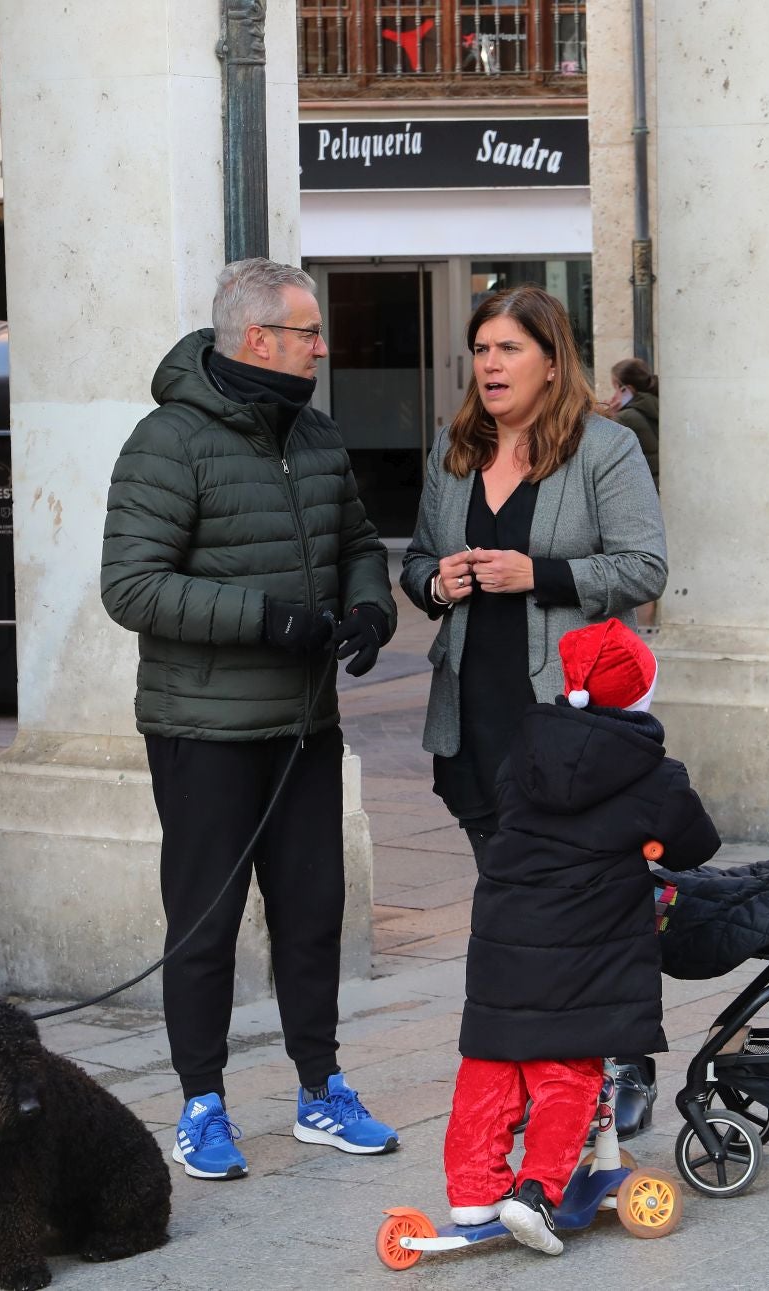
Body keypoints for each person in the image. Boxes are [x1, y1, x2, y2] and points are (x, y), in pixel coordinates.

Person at [101, 257, 401, 1182]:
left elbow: (357, 542)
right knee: (206, 921)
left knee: (314, 913)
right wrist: (267, 619)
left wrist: (370, 610)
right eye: (310, 331)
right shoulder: (168, 441)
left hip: (306, 726)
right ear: (260, 338)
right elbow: (132, 585)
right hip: (204, 732)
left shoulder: (313, 435)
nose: (323, 345)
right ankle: (202, 1104)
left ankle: (320, 1090)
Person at [442, 620, 718, 1255]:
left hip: (503, 935)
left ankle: (473, 1190)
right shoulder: (654, 773)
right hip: (586, 948)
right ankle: (537, 1193)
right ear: (642, 696)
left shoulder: (524, 749)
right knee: (570, 1068)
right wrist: (647, 841)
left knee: (493, 1059)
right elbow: (698, 844)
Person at [400, 286, 666, 863]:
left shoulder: (605, 448)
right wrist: (437, 585)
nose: (490, 363)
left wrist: (538, 575)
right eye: (480, 348)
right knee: (496, 876)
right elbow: (418, 558)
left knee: (568, 883)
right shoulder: (453, 449)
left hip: (568, 710)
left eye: (509, 348)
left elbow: (645, 568)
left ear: (551, 363)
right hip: (471, 705)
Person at [609, 358, 660, 486]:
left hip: (646, 487)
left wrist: (608, 417)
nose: (614, 396)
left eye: (615, 389)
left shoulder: (624, 418)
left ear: (627, 389)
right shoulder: (660, 404)